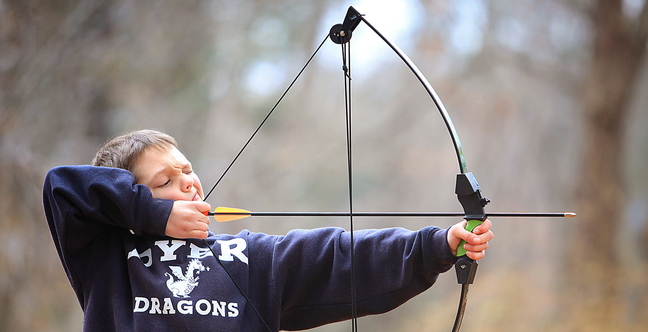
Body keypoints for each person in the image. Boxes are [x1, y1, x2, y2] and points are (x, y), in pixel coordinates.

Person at [43, 129, 493, 332]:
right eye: (164, 181)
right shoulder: (105, 255)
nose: (187, 182)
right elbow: (63, 187)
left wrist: (436, 244)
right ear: (125, 198)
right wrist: (154, 216)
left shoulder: (243, 258)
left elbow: (332, 258)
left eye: (187, 170)